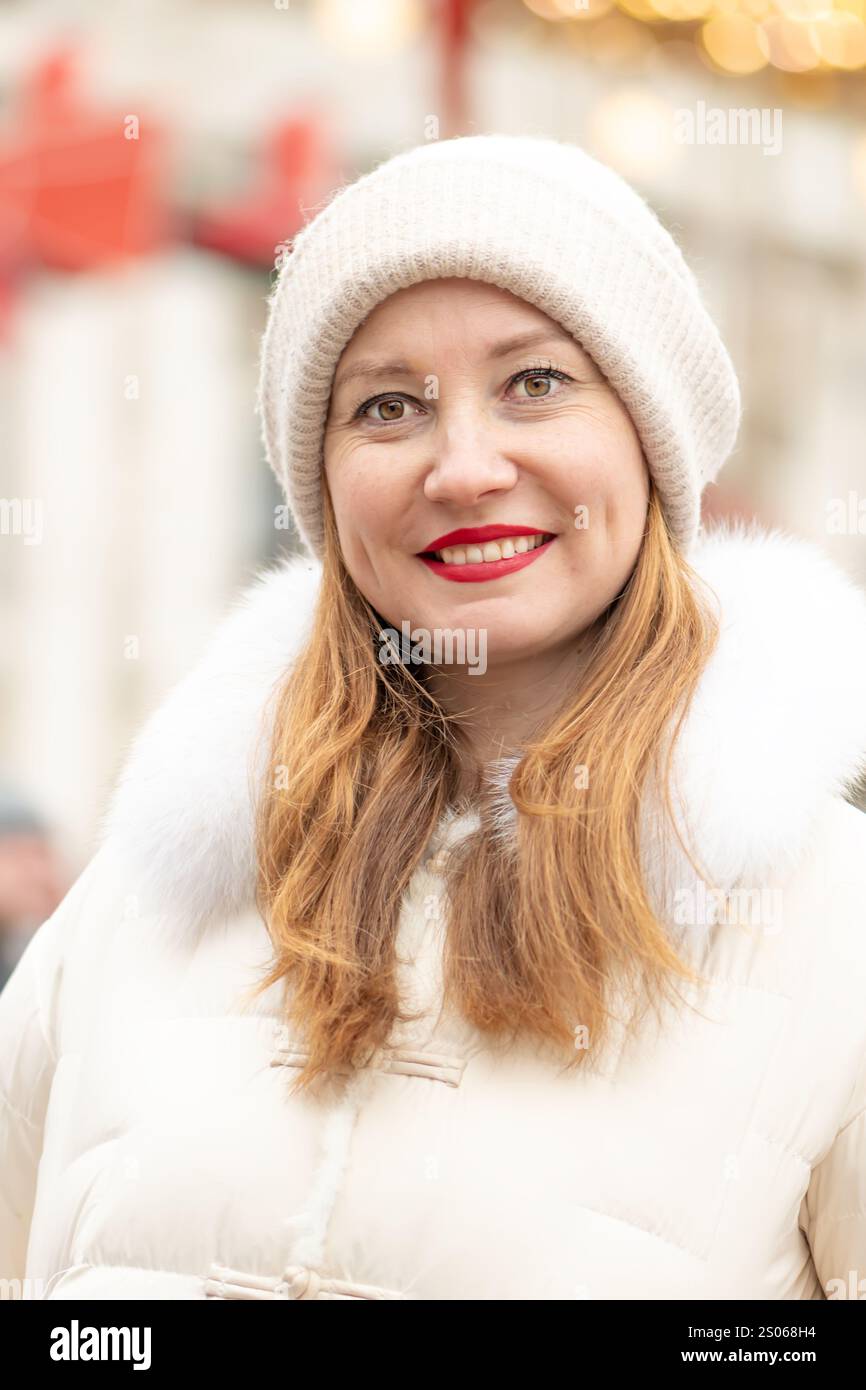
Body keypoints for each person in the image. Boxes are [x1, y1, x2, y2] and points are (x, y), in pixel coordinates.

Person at [2, 133, 865, 1302]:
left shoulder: (824, 930)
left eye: (536, 383)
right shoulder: (141, 904)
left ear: (651, 446)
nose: (462, 467)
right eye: (388, 405)